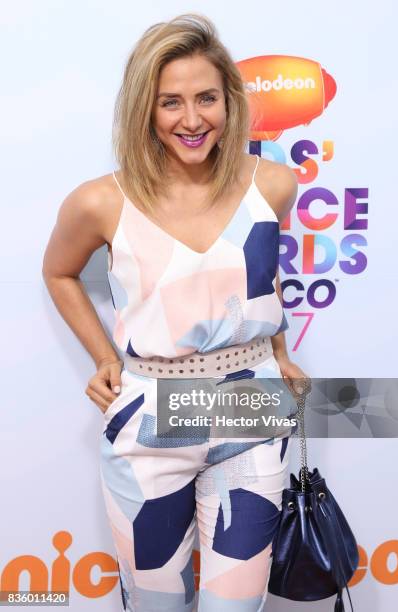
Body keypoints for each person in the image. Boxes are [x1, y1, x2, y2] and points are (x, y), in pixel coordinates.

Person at [42, 12, 309, 612]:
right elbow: (58, 273)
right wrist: (103, 358)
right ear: (144, 108)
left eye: (207, 98)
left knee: (234, 605)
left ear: (230, 101)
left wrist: (280, 354)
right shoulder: (99, 200)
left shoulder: (273, 185)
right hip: (151, 410)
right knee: (155, 600)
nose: (192, 120)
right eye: (171, 103)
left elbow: (261, 279)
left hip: (249, 405)